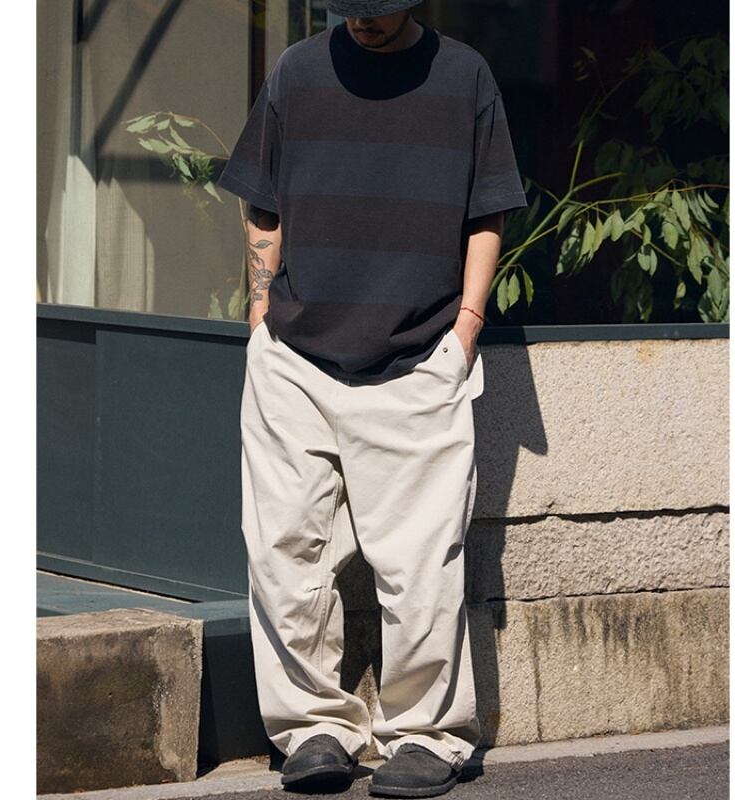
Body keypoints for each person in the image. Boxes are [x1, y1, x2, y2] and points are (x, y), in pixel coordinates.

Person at [217, 1, 527, 796]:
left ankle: (426, 735)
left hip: (418, 355)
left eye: (376, 8)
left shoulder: (463, 77)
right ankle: (312, 727)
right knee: (284, 553)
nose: (361, 21)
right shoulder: (297, 71)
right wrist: (261, 312)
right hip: (294, 358)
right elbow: (263, 202)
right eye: (348, 7)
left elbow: (487, 212)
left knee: (422, 565)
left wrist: (465, 329)